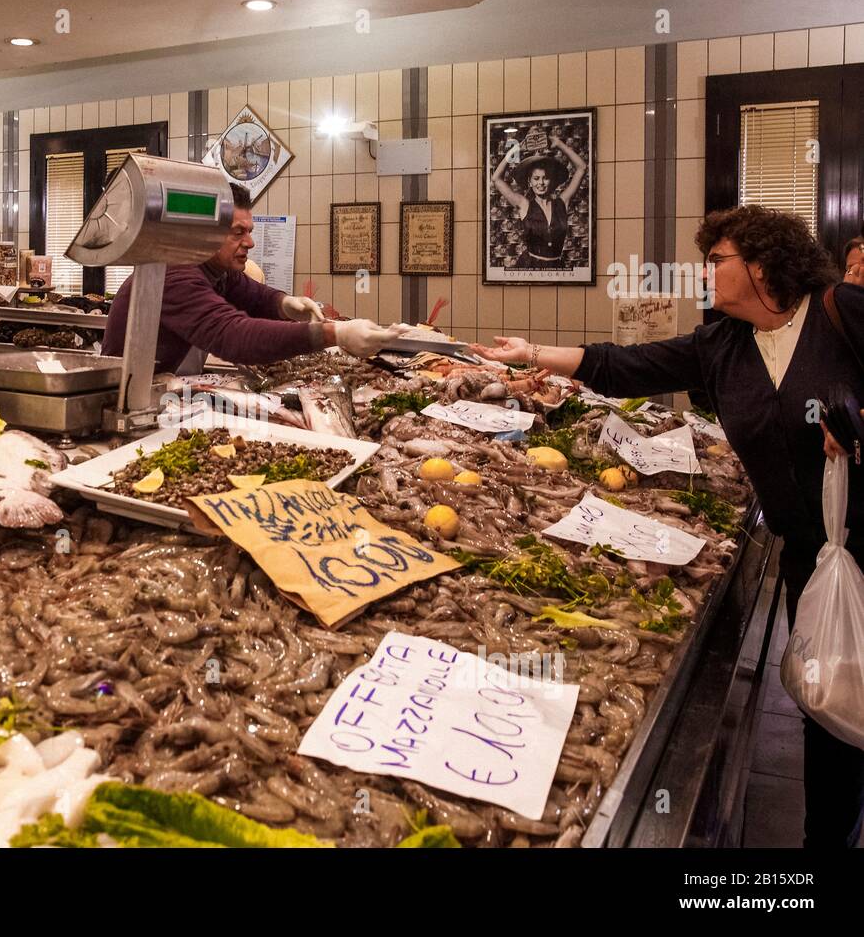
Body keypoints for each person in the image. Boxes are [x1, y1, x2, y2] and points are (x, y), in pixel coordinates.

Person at [470, 204, 864, 848]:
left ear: (762, 265)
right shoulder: (722, 346)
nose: (701, 273)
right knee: (831, 707)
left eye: (715, 262)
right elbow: (626, 365)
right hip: (808, 555)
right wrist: (530, 354)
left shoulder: (840, 312)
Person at [102, 183, 403, 373]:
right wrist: (333, 334)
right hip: (121, 395)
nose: (250, 243)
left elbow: (256, 296)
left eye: (250, 232)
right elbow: (234, 335)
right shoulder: (174, 272)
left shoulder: (219, 271)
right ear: (206, 233)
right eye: (238, 233)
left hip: (160, 383)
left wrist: (288, 304)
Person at [491, 129, 587, 270]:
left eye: (545, 178)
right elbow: (496, 179)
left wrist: (559, 144)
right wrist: (516, 149)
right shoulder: (524, 204)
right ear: (529, 182)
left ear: (551, 180)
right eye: (536, 179)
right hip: (529, 268)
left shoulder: (562, 203)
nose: (541, 183)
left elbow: (582, 168)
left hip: (556, 268)